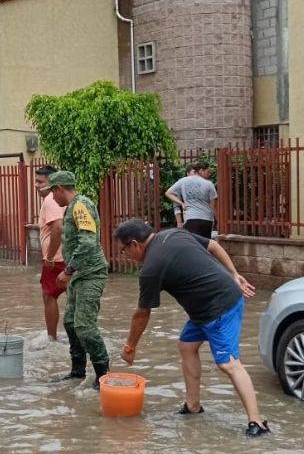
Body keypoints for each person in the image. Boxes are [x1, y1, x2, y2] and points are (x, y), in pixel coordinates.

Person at [114, 219, 270, 436]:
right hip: (204, 309)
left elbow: (142, 314)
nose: (126, 256)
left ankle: (257, 422)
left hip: (220, 307)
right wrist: (234, 273)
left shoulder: (151, 268)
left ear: (134, 244)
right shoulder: (174, 234)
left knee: (228, 364)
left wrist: (130, 346)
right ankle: (193, 406)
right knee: (186, 346)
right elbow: (214, 246)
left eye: (124, 251)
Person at [46, 171, 111, 390]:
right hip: (79, 275)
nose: (52, 198)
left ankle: (103, 373)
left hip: (90, 274)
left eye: (52, 192)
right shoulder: (72, 208)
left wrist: (69, 270)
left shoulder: (81, 205)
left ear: (59, 189)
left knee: (84, 325)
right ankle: (77, 370)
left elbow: (88, 242)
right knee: (70, 322)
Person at [36, 165, 67, 341]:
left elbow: (57, 227)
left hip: (56, 259)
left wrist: (49, 255)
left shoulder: (50, 200)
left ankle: (52, 339)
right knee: (75, 296)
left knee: (48, 296)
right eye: (36, 181)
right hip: (66, 258)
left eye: (41, 182)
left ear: (52, 182)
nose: (37, 185)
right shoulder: (58, 199)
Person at [165, 160, 218, 239]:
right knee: (206, 245)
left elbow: (168, 193)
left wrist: (181, 203)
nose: (209, 174)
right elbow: (213, 205)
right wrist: (216, 220)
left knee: (193, 244)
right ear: (201, 171)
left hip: (191, 218)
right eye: (208, 171)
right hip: (207, 220)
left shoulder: (183, 181)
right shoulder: (209, 184)